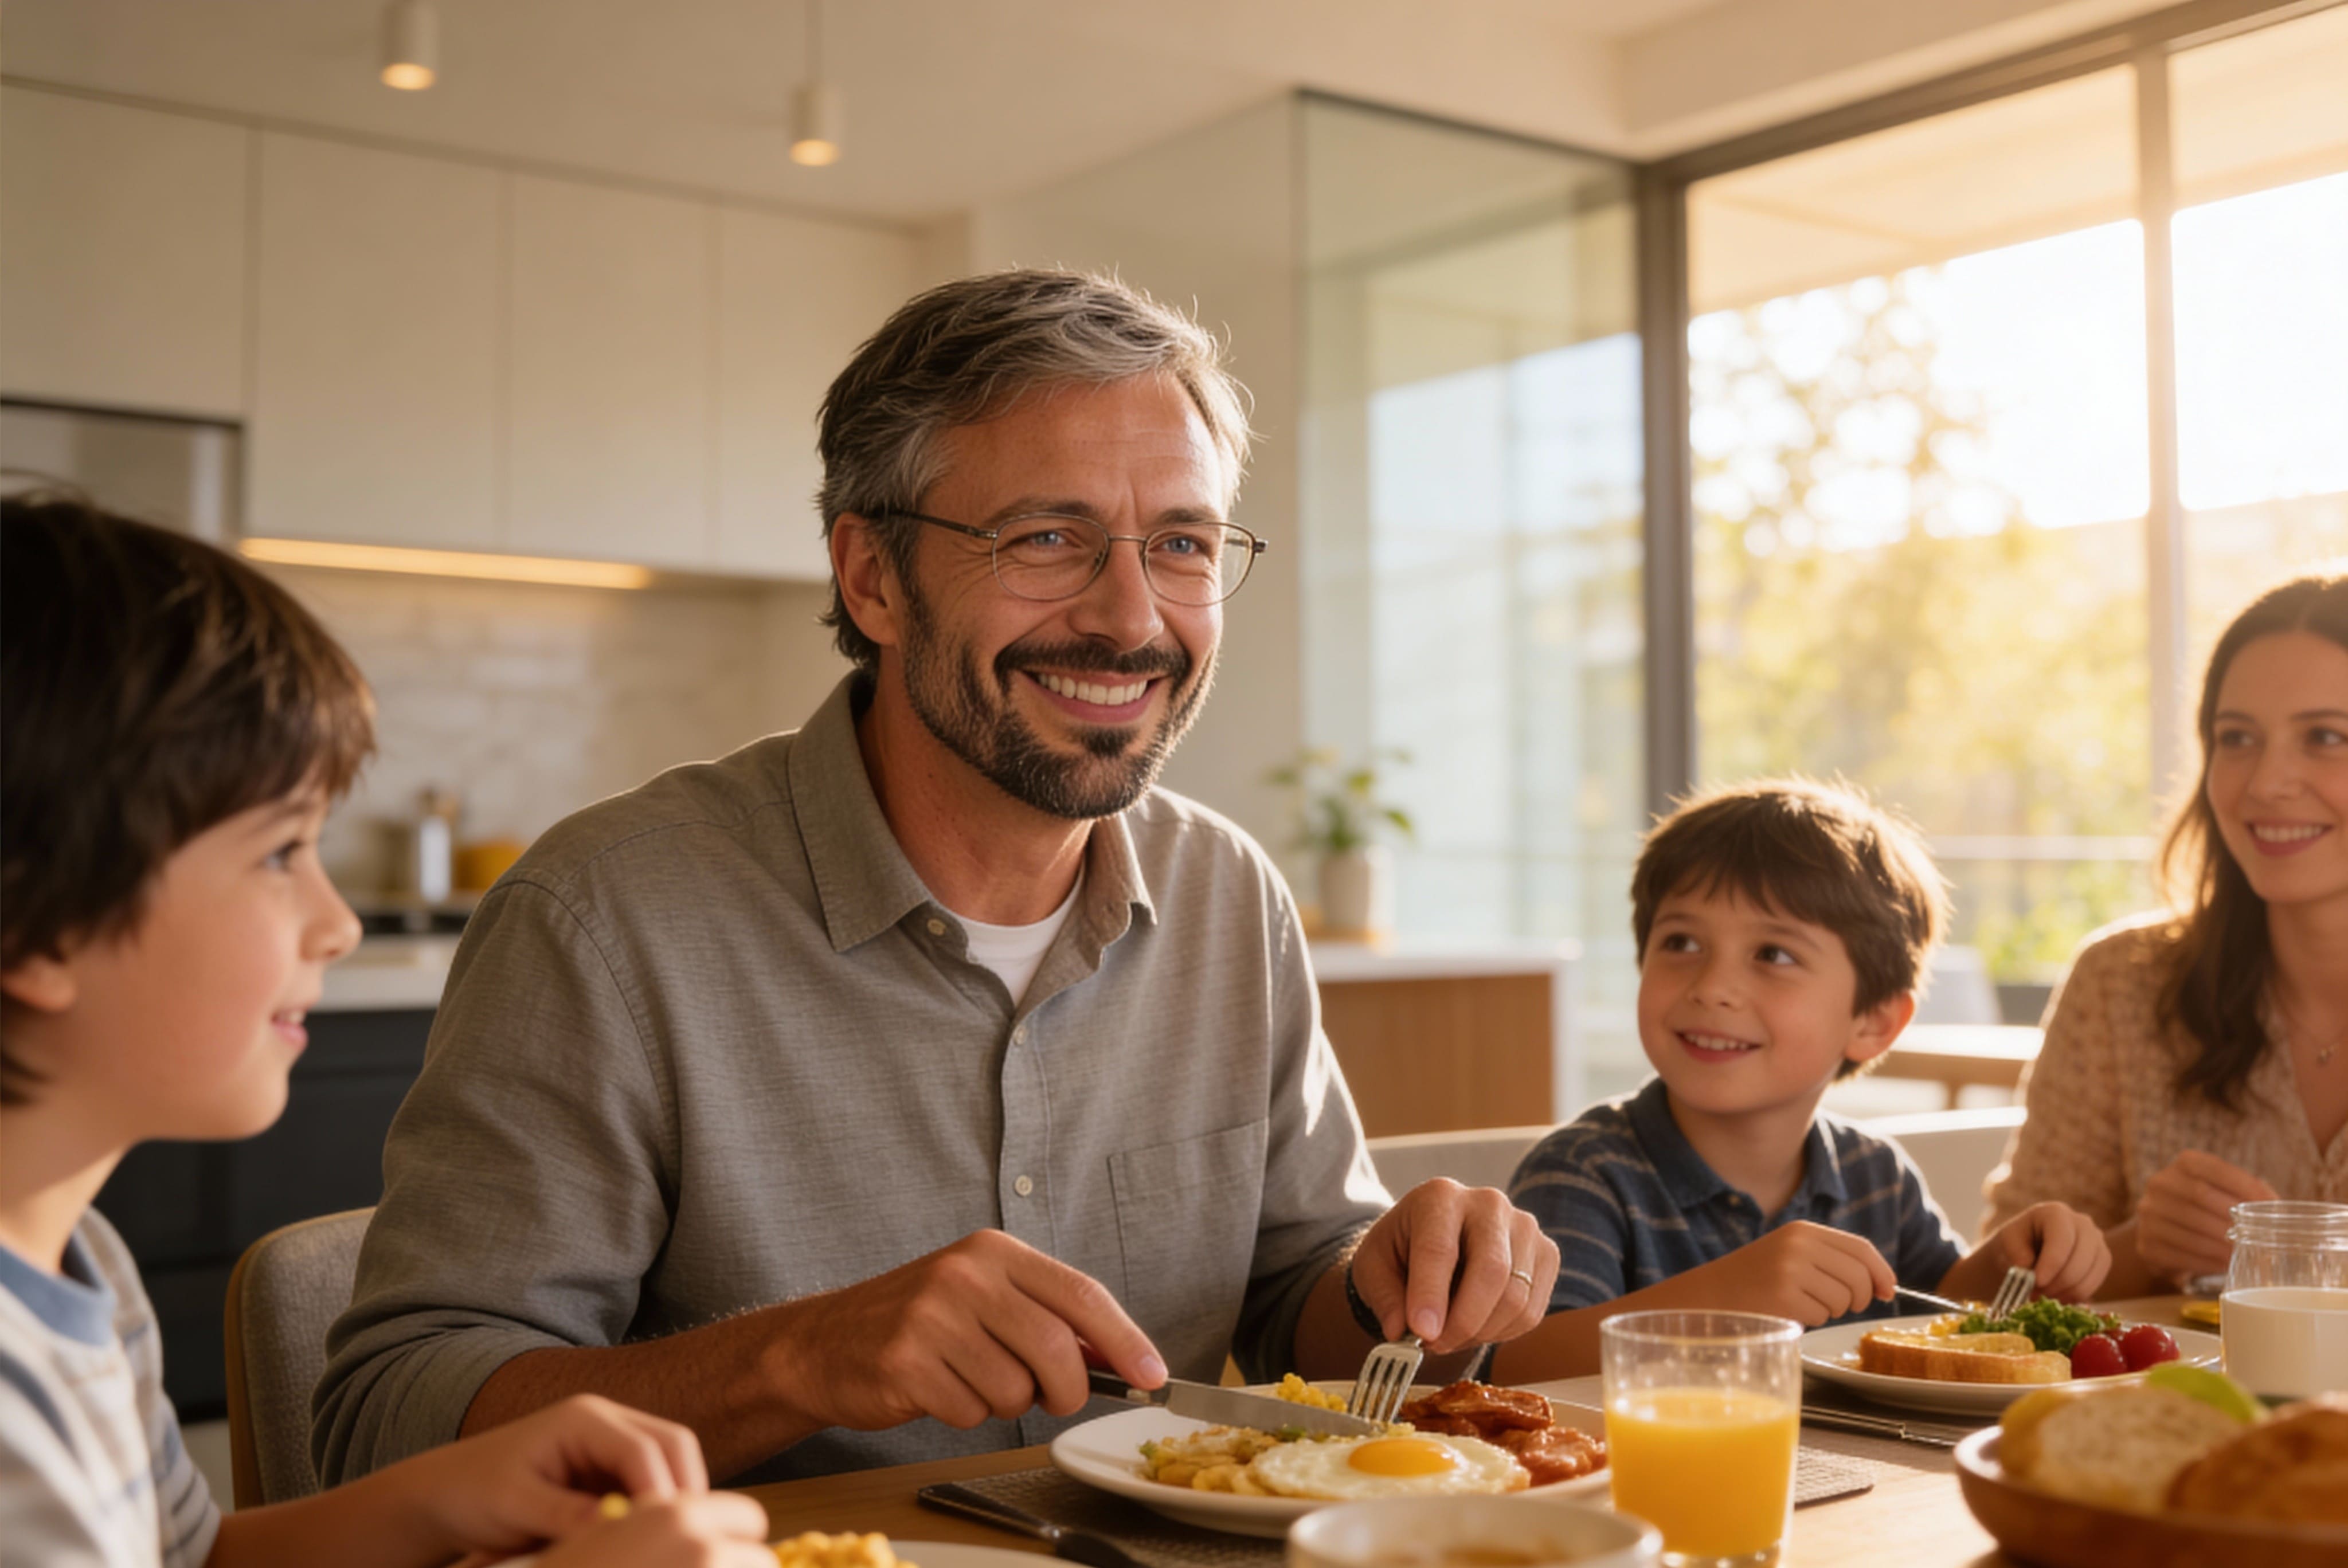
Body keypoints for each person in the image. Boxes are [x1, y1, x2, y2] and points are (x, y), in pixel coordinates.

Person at [314, 269, 1562, 1489]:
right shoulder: (605, 920)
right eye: (1047, 537)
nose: (1132, 617)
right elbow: (388, 1429)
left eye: (1180, 543)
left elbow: (1298, 1305)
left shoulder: (1226, 895)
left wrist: (1392, 1279)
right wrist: (796, 1361)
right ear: (872, 580)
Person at [0, 496, 772, 1566]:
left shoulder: (77, 1259)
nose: (339, 922)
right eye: (280, 854)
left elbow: (187, 1557)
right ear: (32, 921)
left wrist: (436, 1499)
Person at [1492, 778, 2111, 1380]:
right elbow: (1518, 1367)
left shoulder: (1876, 1178)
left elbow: (1940, 1312)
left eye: (1773, 955)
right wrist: (1724, 1299)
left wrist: (2013, 1263)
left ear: (1872, 1022)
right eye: (1681, 941)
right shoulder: (1583, 1172)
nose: (1710, 987)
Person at [1985, 569, 2348, 1293]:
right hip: (2172, 1410)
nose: (2266, 782)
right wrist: (2137, 1249)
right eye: (2236, 737)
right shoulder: (2121, 985)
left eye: (2327, 737)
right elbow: (1994, 1301)